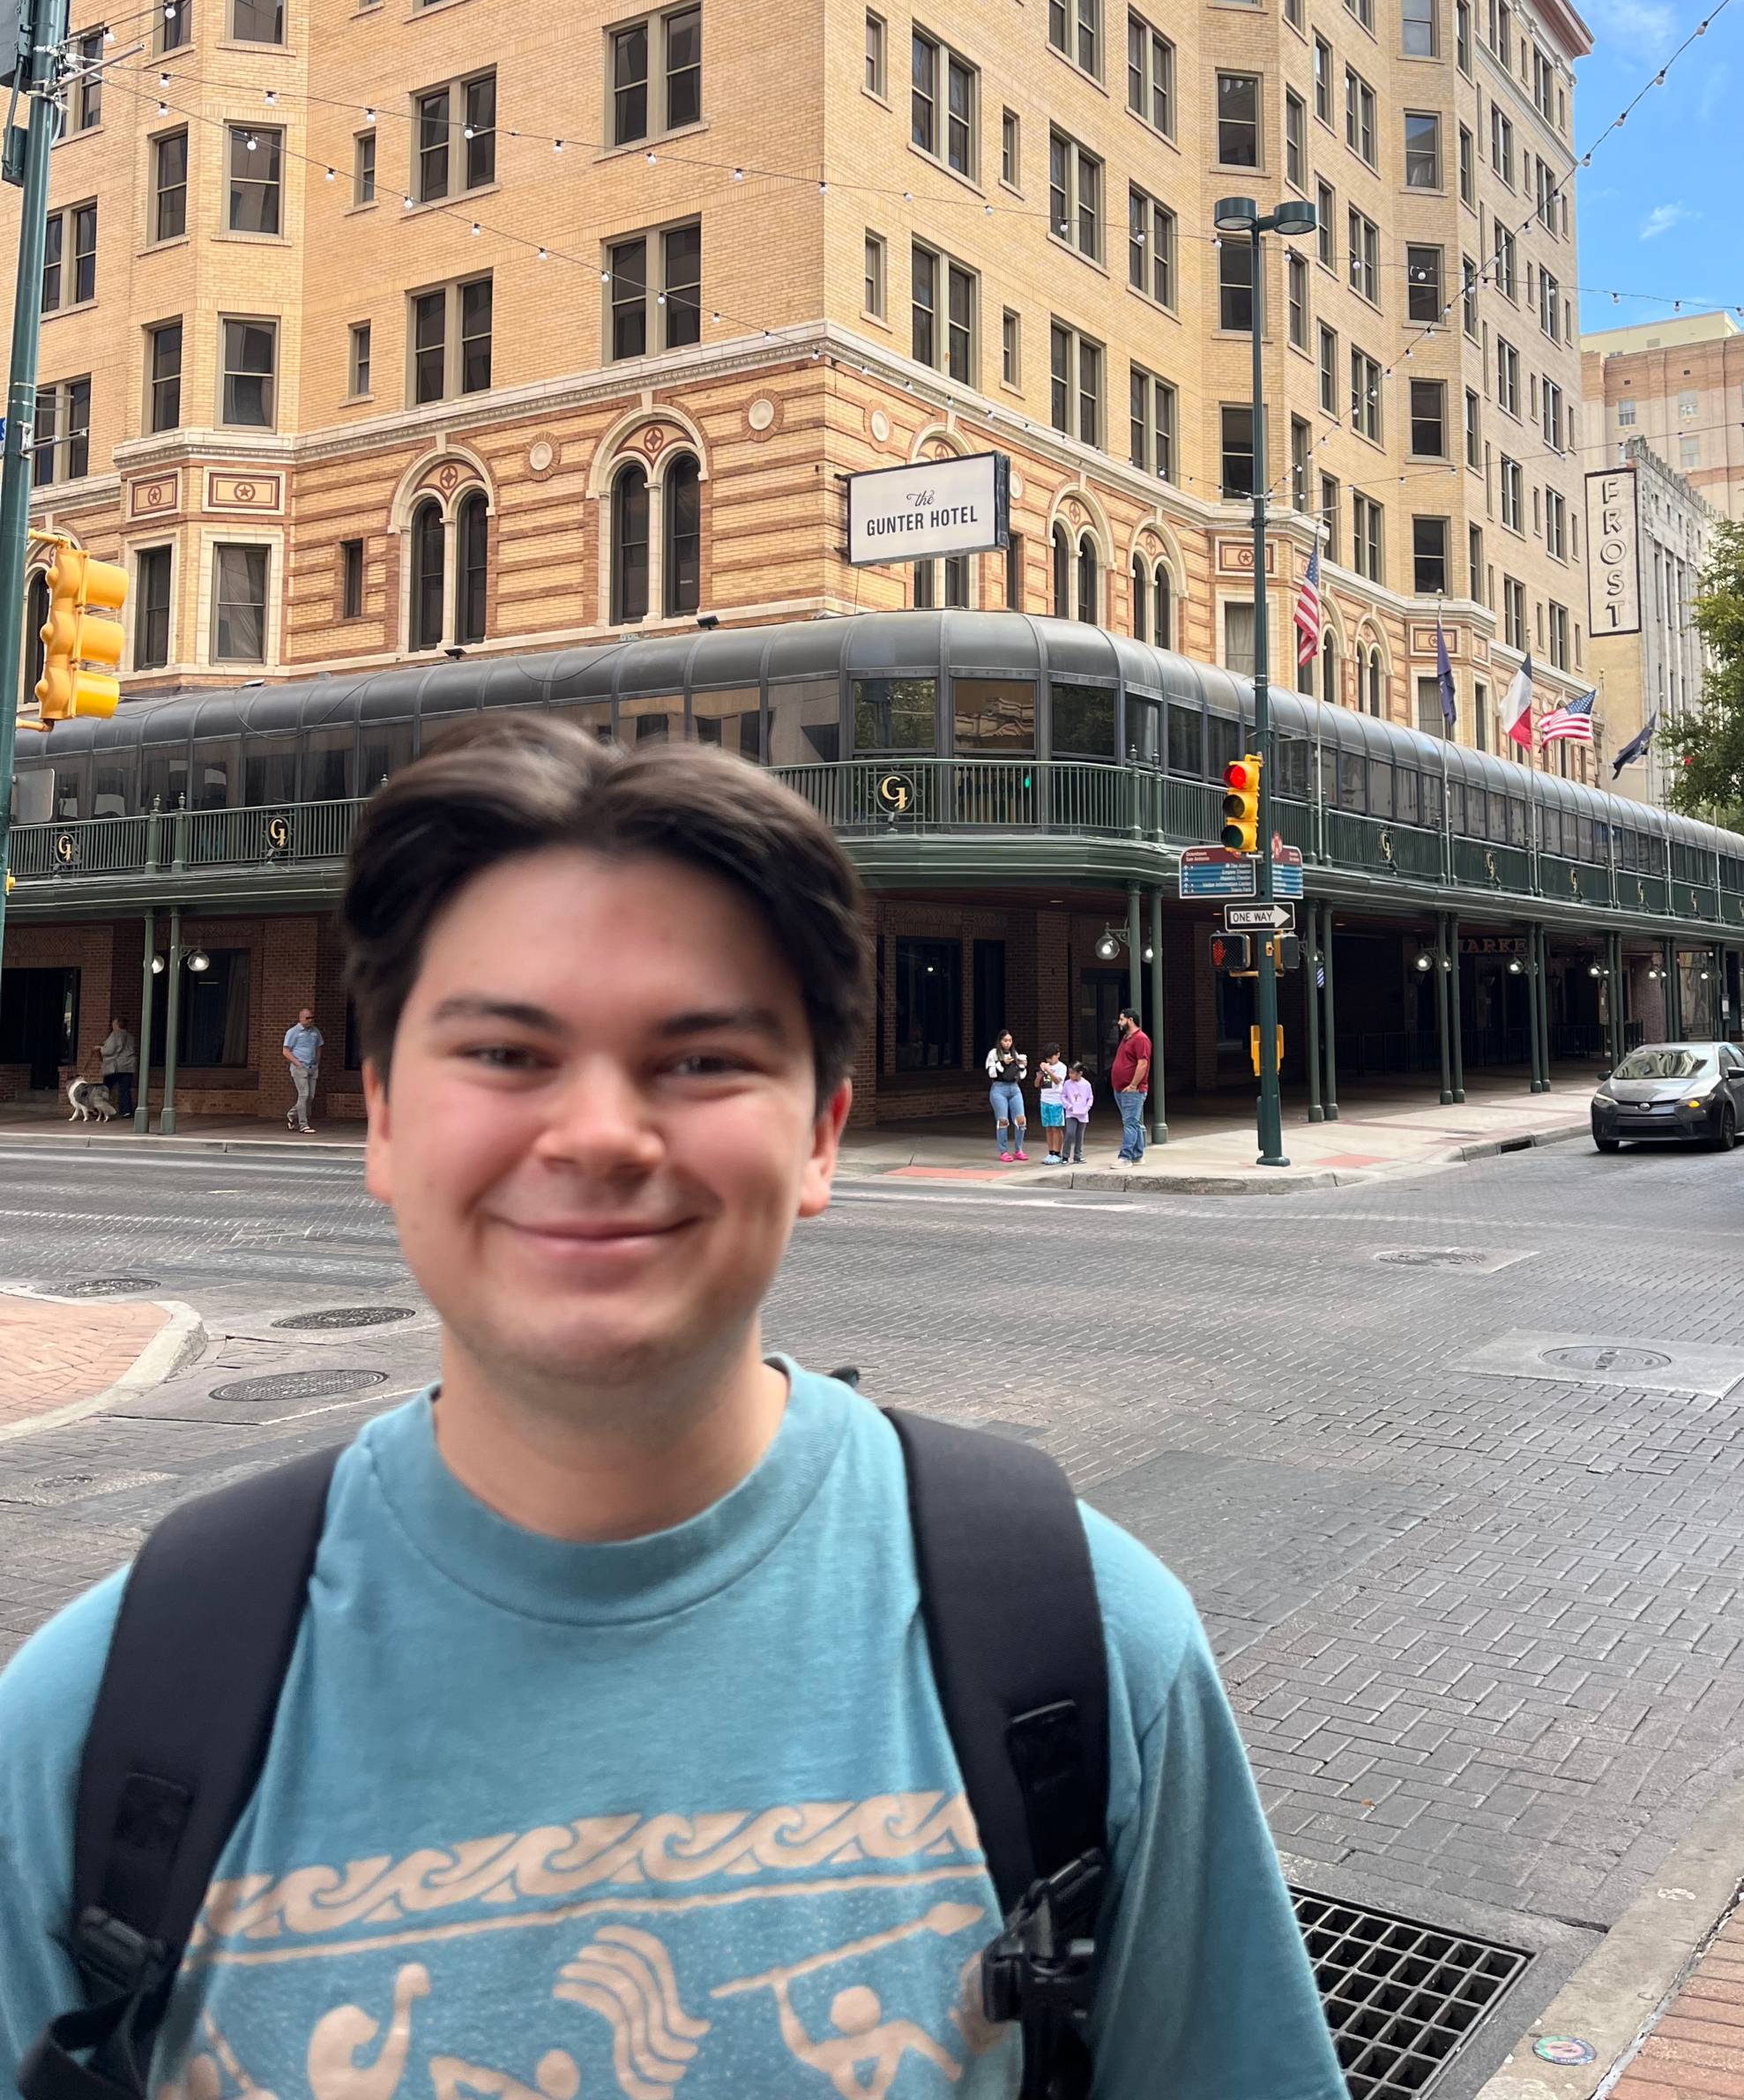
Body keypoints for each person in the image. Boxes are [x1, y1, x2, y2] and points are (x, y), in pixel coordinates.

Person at [0, 720, 1345, 2100]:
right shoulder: (93, 1724)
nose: (597, 1134)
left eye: (700, 1060)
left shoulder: (1097, 1654)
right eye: (508, 1054)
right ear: (386, 1119)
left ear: (822, 1130)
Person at [1111, 1006, 1151, 1164]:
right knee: (1132, 1122)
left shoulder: (1141, 1039)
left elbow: (1143, 1064)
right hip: (1120, 1088)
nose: (1119, 1023)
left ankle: (1125, 1157)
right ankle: (1137, 1154)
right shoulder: (1126, 1038)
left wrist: (1133, 1085)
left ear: (1130, 1020)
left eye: (1121, 1019)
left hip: (1132, 1090)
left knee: (1130, 1123)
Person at [981, 1031, 1027, 1161]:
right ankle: (1003, 1151)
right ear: (1000, 1041)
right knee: (1003, 1120)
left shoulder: (1015, 1054)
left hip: (1014, 1087)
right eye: (1005, 1040)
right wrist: (1002, 1063)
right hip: (999, 1088)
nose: (1008, 1043)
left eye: (1010, 1040)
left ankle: (1019, 1149)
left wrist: (1022, 1066)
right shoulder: (994, 1053)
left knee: (1021, 1119)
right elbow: (992, 1074)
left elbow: (1021, 1075)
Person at [281, 1005, 324, 1133]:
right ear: (301, 1019)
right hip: (300, 1067)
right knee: (303, 1094)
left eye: (312, 1018)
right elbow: (286, 1051)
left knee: (310, 1097)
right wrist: (297, 1063)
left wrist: (317, 1061)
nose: (310, 1020)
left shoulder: (315, 1031)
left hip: (312, 1066)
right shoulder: (293, 1032)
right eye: (307, 1018)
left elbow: (319, 1046)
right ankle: (303, 1124)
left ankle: (291, 1114)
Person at [97, 1017, 136, 1121]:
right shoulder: (130, 1036)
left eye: (113, 1023)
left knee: (105, 1088)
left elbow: (109, 1050)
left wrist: (100, 1048)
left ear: (117, 1025)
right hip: (128, 1066)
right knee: (125, 1090)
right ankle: (126, 1111)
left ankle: (100, 1110)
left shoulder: (115, 1034)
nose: (112, 1025)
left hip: (115, 1067)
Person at [1034, 1043, 1067, 1162]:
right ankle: (1051, 1152)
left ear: (1057, 1055)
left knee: (1056, 1127)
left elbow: (1058, 1081)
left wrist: (1048, 1070)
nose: (1049, 1060)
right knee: (1048, 1127)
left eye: (1051, 1057)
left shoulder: (1061, 1067)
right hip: (1045, 1099)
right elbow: (1037, 1084)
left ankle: (1057, 1153)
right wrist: (1040, 1075)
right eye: (1047, 1058)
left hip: (1056, 1100)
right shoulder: (1044, 1066)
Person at [1058, 1061, 1093, 1165]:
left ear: (1080, 1073)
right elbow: (1063, 1096)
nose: (1070, 1075)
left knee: (1079, 1135)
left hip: (1082, 1114)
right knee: (1070, 1133)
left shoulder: (1086, 1084)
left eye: (1072, 1073)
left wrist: (1087, 1108)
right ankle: (1065, 1155)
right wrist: (1069, 1106)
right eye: (1070, 1073)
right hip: (1071, 1113)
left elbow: (1090, 1098)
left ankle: (1078, 1155)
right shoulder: (1067, 1084)